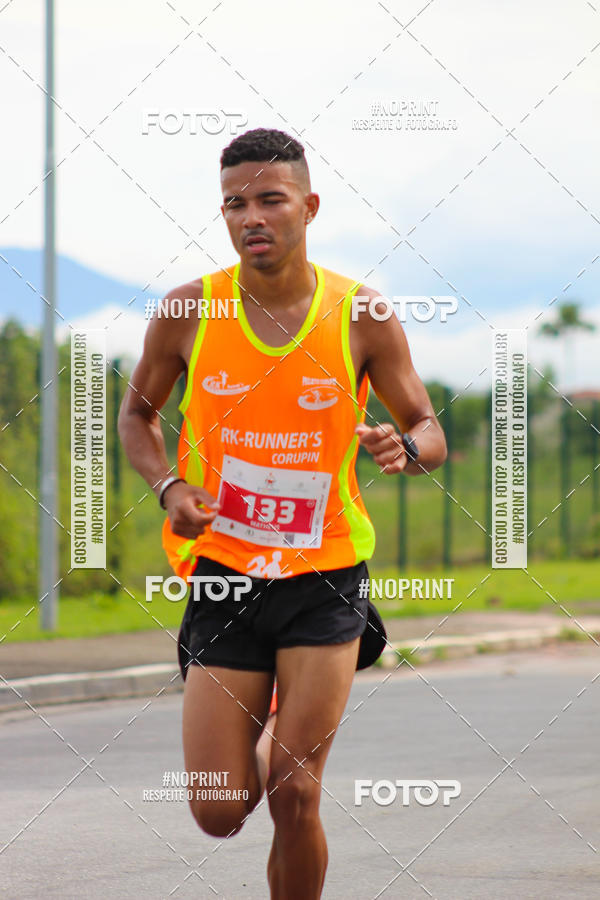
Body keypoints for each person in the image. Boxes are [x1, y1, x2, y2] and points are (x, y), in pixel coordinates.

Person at [118, 127, 447, 899]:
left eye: (271, 199)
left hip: (325, 579)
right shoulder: (189, 310)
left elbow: (429, 428)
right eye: (235, 203)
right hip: (225, 580)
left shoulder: (359, 313)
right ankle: (268, 718)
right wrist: (170, 488)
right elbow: (137, 417)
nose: (251, 216)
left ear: (310, 205)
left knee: (296, 792)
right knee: (221, 810)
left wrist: (404, 447)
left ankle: (292, 736)